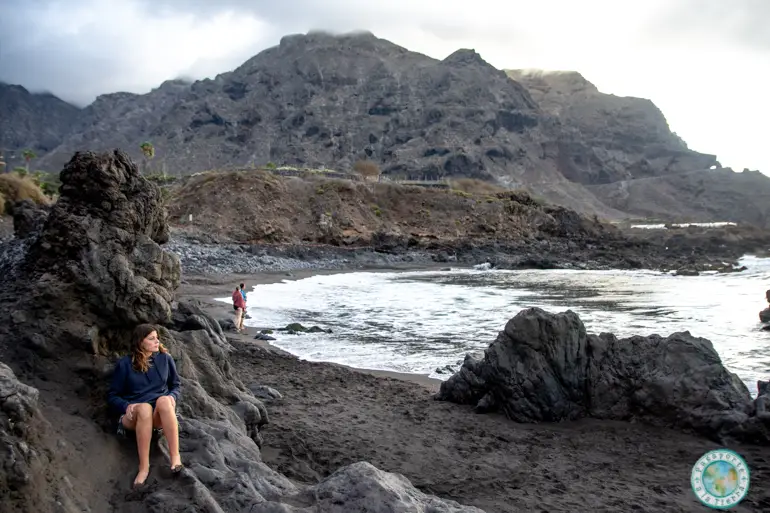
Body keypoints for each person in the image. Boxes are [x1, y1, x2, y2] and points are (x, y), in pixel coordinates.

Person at [107, 324, 183, 487]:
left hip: (157, 415)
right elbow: (112, 395)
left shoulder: (165, 359)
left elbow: (176, 385)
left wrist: (172, 397)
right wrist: (126, 406)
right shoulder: (125, 364)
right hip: (133, 416)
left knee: (163, 400)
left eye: (157, 338)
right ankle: (143, 467)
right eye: (151, 338)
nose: (157, 341)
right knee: (144, 408)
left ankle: (175, 457)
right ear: (140, 342)